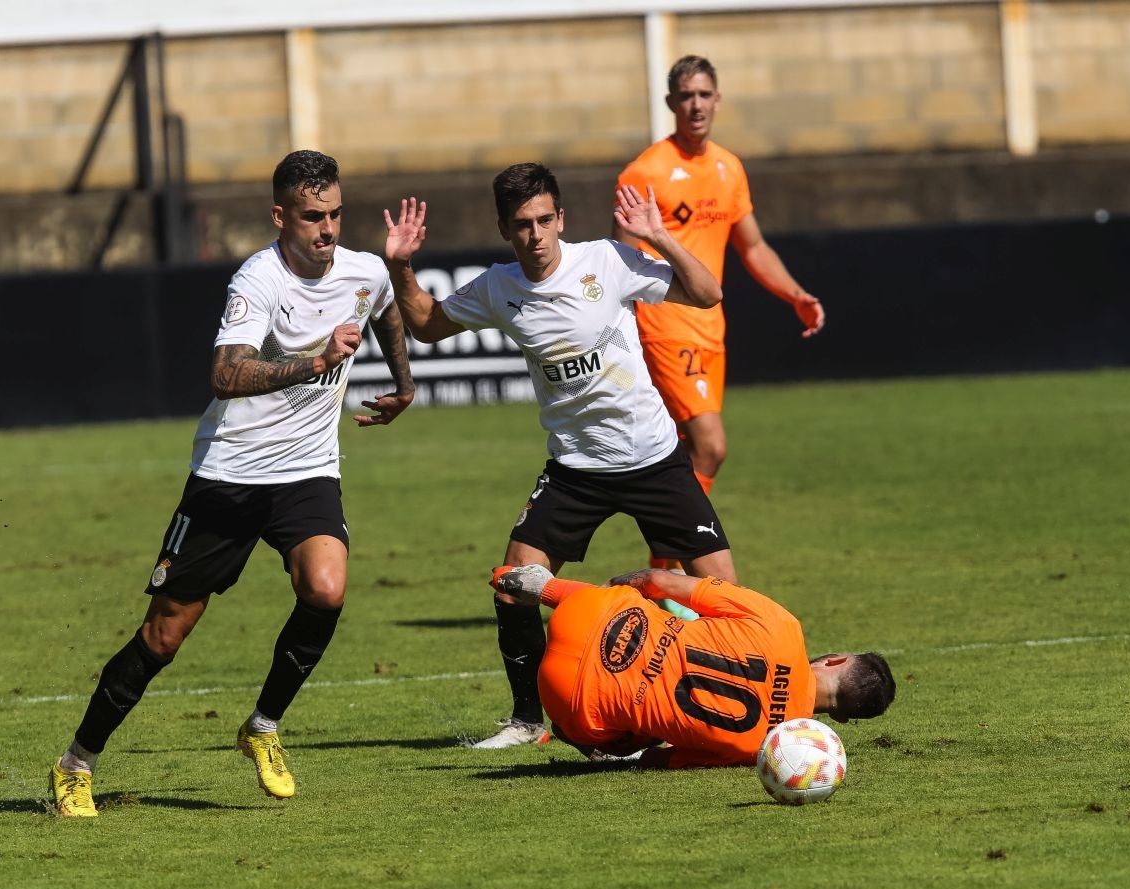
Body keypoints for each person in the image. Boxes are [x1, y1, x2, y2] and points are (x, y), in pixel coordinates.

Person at [49, 150, 416, 816]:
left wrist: (404, 383)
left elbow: (386, 306)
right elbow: (225, 374)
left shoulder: (363, 270)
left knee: (326, 588)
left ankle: (263, 727)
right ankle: (77, 762)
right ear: (280, 216)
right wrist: (312, 364)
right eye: (312, 217)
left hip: (307, 471)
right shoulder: (258, 280)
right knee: (164, 636)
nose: (327, 229)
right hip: (229, 477)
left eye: (335, 214)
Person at [383, 162, 737, 749]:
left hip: (654, 460)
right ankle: (528, 721)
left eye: (545, 220)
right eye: (523, 224)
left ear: (561, 219)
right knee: (512, 584)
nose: (536, 235)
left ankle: (721, 710)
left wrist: (660, 235)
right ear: (504, 229)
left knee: (728, 597)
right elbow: (424, 324)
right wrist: (400, 265)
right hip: (576, 470)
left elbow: (707, 293)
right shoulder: (498, 288)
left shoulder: (606, 261)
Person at [615, 55, 825, 567]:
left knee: (681, 451)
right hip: (666, 324)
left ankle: (660, 573)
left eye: (704, 94)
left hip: (711, 327)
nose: (696, 105)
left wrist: (795, 294)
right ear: (671, 103)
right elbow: (622, 262)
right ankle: (668, 572)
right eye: (686, 95)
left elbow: (753, 247)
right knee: (711, 446)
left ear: (718, 100)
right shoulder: (646, 171)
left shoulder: (729, 168)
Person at [489, 564, 895, 767]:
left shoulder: (784, 627)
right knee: (642, 731)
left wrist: (611, 591)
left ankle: (544, 587)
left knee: (635, 605)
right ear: (839, 718)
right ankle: (573, 729)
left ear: (835, 660)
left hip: (589, 614)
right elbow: (660, 760)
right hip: (570, 698)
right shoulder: (762, 749)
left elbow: (662, 580)